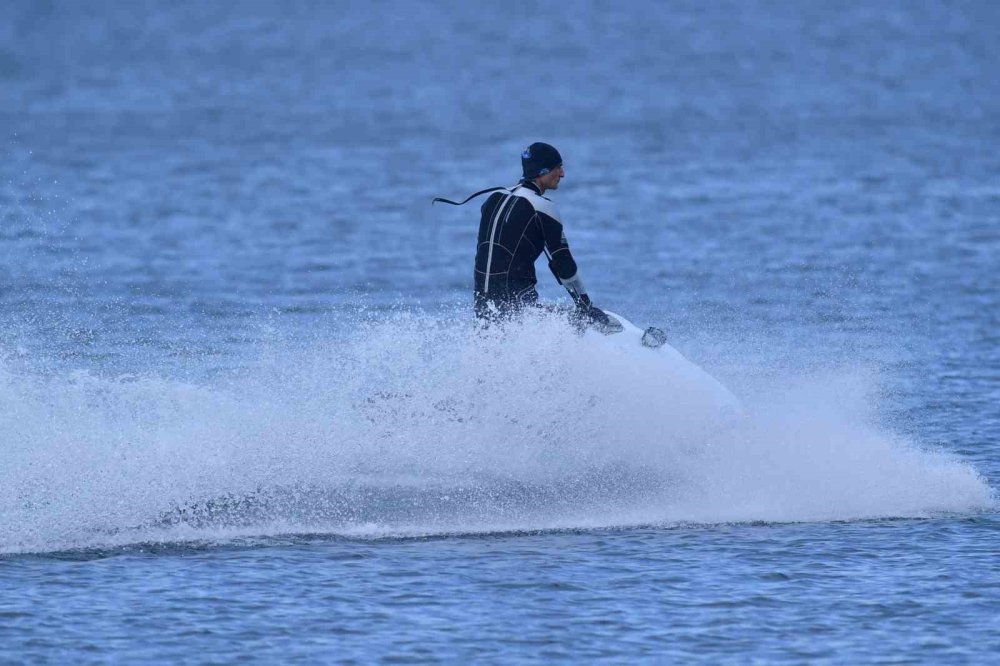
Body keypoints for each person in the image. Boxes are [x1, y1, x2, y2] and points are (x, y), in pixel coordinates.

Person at [434, 142, 621, 333]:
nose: (562, 174)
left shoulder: (493, 198)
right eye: (558, 167)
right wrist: (586, 306)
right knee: (579, 323)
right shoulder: (543, 207)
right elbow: (564, 266)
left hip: (483, 305)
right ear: (543, 170)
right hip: (519, 306)